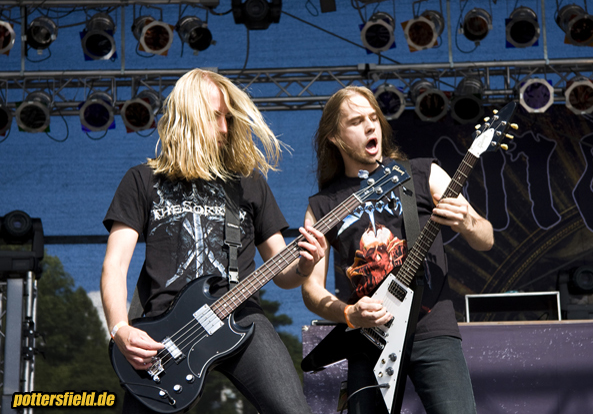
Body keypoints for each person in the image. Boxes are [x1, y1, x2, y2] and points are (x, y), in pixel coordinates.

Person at [101, 68, 326, 414]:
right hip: (167, 331)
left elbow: (283, 272)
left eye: (228, 118)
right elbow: (115, 265)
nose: (224, 128)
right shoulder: (142, 180)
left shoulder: (248, 183)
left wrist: (305, 265)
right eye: (214, 116)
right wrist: (120, 329)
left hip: (240, 318)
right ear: (188, 116)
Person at [301, 86, 494, 414]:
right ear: (334, 137)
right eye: (357, 121)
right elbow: (310, 290)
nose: (370, 126)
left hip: (431, 329)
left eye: (374, 118)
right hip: (369, 337)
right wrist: (349, 313)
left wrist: (466, 222)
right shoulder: (323, 205)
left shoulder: (422, 173)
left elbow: (485, 238)